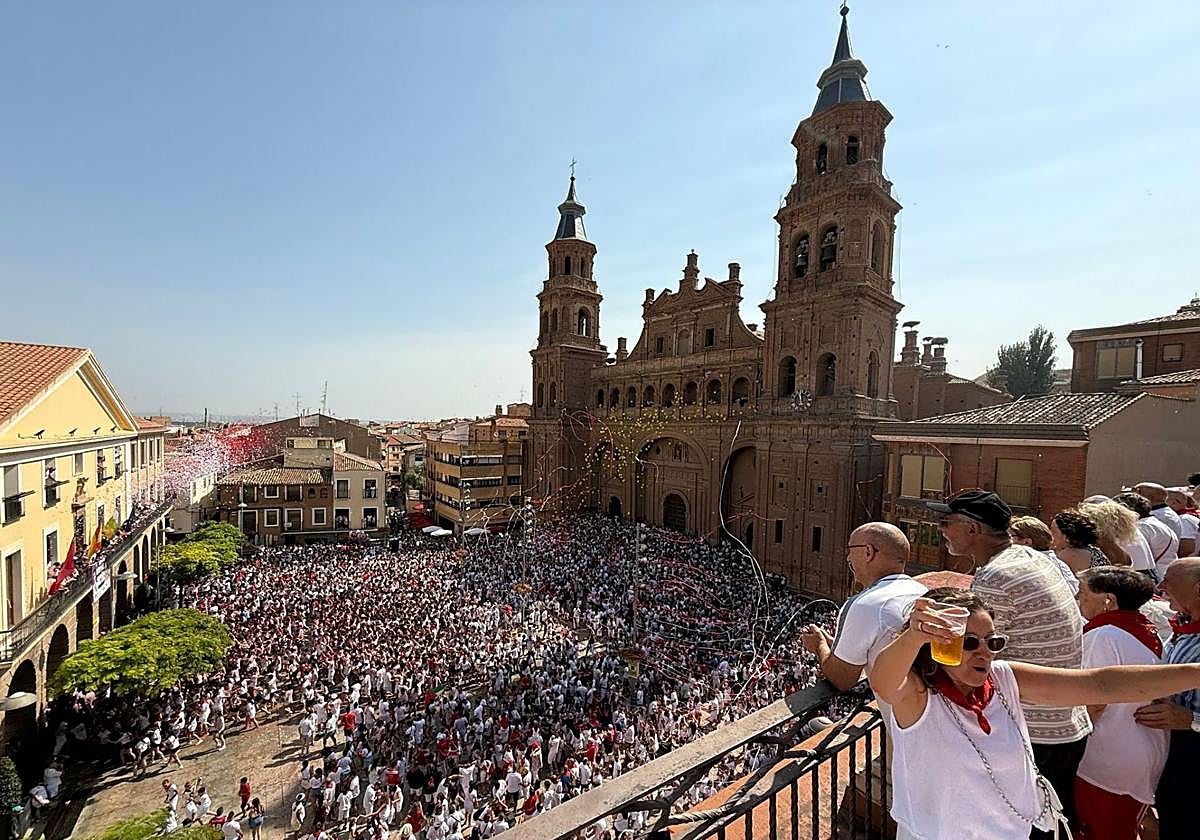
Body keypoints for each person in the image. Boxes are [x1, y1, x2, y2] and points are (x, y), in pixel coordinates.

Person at [870, 587, 1200, 840]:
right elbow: (884, 682)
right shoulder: (919, 695)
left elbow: (1099, 685)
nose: (983, 652)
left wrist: (1196, 673)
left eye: (991, 642)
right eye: (969, 642)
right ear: (936, 643)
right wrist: (913, 636)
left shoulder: (1003, 678)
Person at [931, 489, 1092, 838]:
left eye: (947, 522)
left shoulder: (995, 579)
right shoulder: (1032, 557)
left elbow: (966, 660)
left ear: (972, 529)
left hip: (1034, 733)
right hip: (1063, 722)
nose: (941, 529)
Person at [1073, 567, 1167, 840]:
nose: (1078, 599)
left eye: (1083, 593)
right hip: (1138, 752)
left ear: (1108, 600)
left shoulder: (1104, 636)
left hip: (1107, 760)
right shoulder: (1145, 630)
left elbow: (1093, 703)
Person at [801, 522, 925, 694]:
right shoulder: (922, 591)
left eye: (850, 550)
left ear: (868, 552)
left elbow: (842, 679)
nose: (848, 558)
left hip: (903, 711)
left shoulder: (865, 604)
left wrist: (818, 645)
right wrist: (832, 642)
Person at [1134, 558, 1200, 840]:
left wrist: (1191, 720)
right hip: (1175, 754)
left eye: (1169, 581)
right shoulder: (1183, 626)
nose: (1160, 586)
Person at [1114, 492, 1178, 581]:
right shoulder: (1155, 523)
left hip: (1155, 575)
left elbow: (1139, 557)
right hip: (1165, 573)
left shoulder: (1142, 527)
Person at [1007, 517, 1077, 594]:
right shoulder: (1058, 563)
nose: (1006, 540)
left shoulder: (1028, 566)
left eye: (1010, 536)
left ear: (1027, 542)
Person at [1051, 509, 1109, 574]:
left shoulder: (1068, 554)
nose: (1050, 534)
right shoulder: (1095, 551)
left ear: (1066, 537)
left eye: (1053, 531)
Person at [1165, 489, 1198, 557]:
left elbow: (1187, 548)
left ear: (1173, 503)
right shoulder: (1185, 517)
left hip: (1189, 561)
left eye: (1163, 502)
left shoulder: (1184, 519)